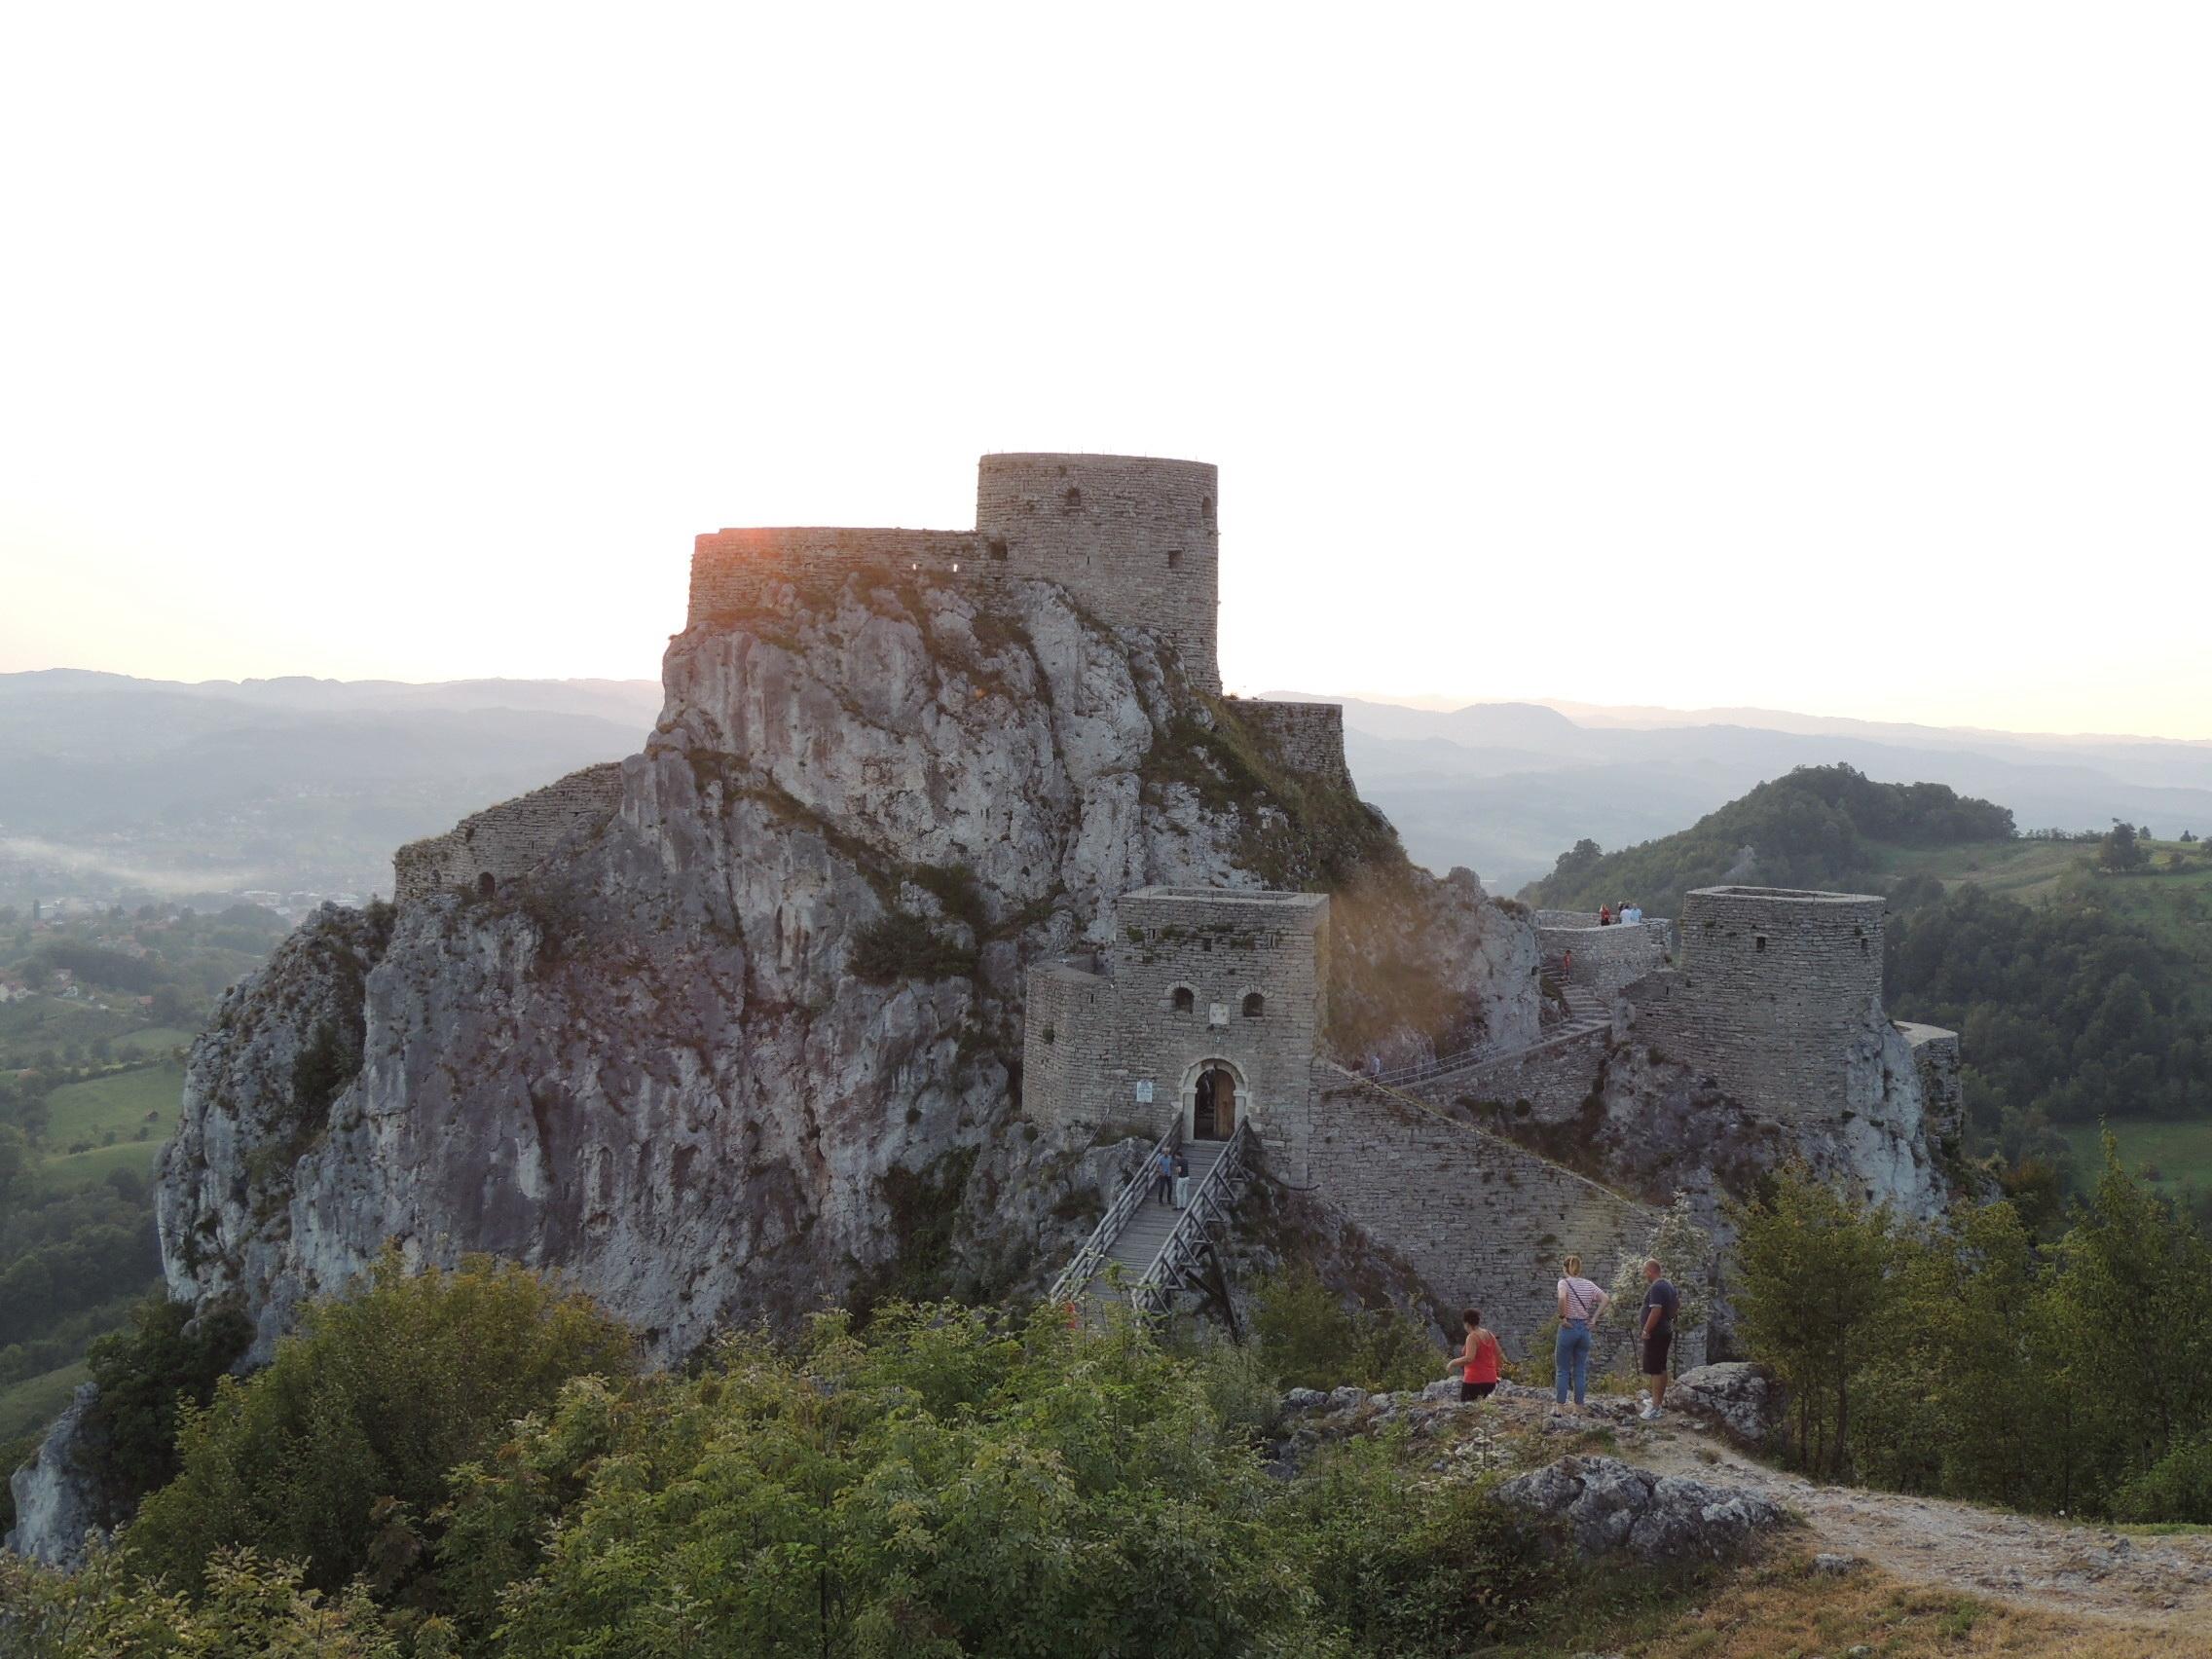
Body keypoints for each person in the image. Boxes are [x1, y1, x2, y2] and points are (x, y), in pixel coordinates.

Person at [1554, 1253, 1608, 1410]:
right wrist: (1594, 1319)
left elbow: (1562, 1298)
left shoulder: (1563, 1283)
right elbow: (1606, 1299)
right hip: (1584, 1329)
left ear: (1565, 1268)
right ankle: (1578, 1407)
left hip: (1568, 1327)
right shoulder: (1589, 1284)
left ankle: (1560, 1407)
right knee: (1579, 1369)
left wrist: (1563, 1318)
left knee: (1563, 1369)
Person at [1638, 1257, 1678, 1419]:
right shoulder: (1668, 1284)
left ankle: (1655, 1408)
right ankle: (1657, 1400)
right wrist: (1670, 1319)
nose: (1644, 1275)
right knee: (1661, 1367)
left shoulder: (1656, 1287)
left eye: (1644, 1271)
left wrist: (1646, 1330)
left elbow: (1655, 1311)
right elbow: (1677, 1304)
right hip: (1664, 1331)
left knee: (1655, 1369)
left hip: (1656, 1333)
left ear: (1650, 1271)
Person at [1458, 1308, 1501, 1403]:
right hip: (1490, 1381)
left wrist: (1452, 1363)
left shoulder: (1472, 1336)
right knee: (1482, 1411)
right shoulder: (1489, 1334)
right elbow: (1498, 1353)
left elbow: (1469, 1358)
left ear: (1466, 1323)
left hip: (1474, 1381)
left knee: (1467, 1410)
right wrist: (1497, 1373)